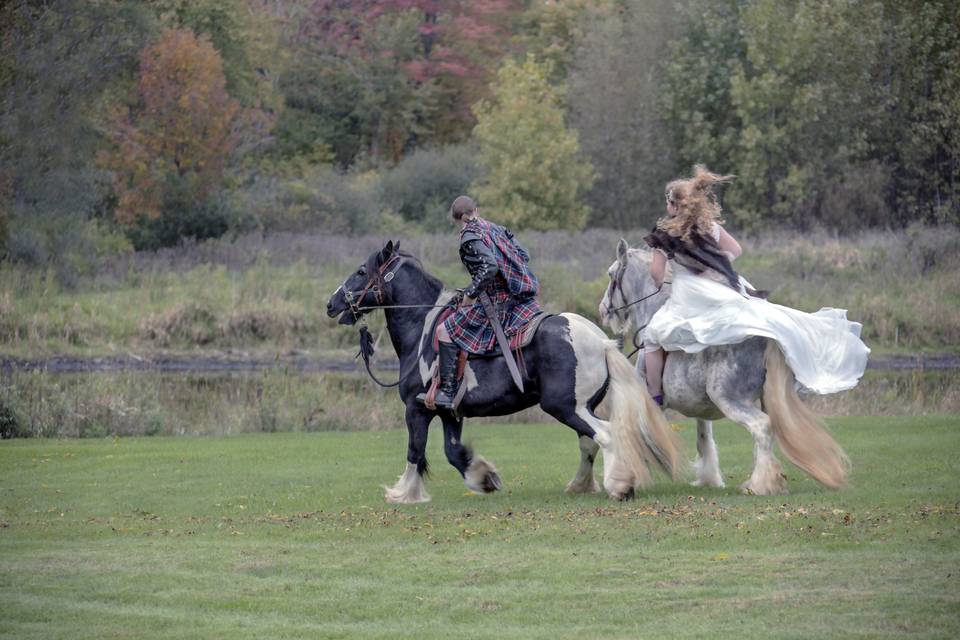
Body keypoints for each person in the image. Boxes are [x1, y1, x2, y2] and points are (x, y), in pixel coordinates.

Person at [641, 165, 869, 405]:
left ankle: (654, 396)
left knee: (652, 337)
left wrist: (668, 280)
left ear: (673, 205)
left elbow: (656, 274)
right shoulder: (711, 227)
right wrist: (713, 269)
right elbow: (736, 251)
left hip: (688, 293)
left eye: (668, 203)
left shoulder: (664, 232)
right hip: (722, 285)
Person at [419, 196, 541, 409]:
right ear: (476, 210)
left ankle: (447, 393)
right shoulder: (496, 228)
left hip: (497, 302)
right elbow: (524, 255)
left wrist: (471, 294)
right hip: (517, 297)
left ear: (458, 218)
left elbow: (489, 268)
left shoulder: (469, 236)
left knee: (443, 331)